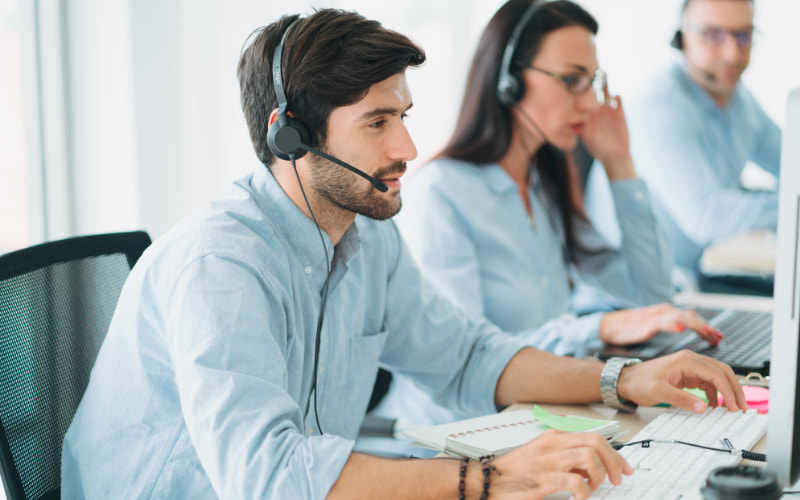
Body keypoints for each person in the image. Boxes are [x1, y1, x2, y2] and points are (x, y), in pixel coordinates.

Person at [61, 8, 747, 500]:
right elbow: (269, 478)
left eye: (404, 118)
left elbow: (469, 355)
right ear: (290, 138)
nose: (407, 150)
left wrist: (624, 379)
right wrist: (494, 479)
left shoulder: (367, 237)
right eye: (377, 123)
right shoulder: (222, 265)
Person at [375, 0, 723, 427]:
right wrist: (601, 328)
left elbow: (651, 295)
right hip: (457, 436)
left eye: (592, 82)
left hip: (539, 415)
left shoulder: (543, 184)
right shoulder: (443, 194)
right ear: (509, 83)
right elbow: (466, 360)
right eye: (572, 80)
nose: (591, 103)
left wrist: (619, 163)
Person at [585, 0, 781, 280]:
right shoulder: (659, 107)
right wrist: (789, 207)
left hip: (693, 277)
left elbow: (790, 163)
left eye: (743, 35)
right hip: (635, 294)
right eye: (713, 35)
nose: (732, 53)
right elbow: (706, 217)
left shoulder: (740, 101)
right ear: (681, 38)